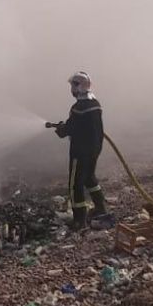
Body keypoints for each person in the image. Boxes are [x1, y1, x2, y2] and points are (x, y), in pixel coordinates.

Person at [46, 71, 107, 230]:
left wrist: (62, 130)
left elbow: (71, 128)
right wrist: (65, 127)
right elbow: (83, 127)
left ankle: (80, 220)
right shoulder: (95, 104)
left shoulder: (79, 108)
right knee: (89, 178)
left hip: (80, 152)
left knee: (75, 184)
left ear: (78, 87)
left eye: (73, 85)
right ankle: (101, 207)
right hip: (95, 150)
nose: (71, 89)